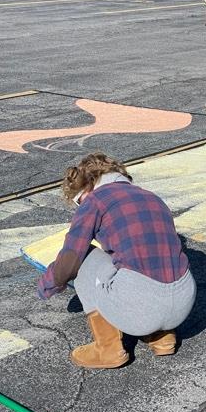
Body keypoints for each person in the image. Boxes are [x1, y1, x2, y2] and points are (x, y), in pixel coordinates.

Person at [37, 152, 196, 369]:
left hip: (143, 309)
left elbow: (70, 258)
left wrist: (47, 285)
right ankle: (162, 338)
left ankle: (108, 349)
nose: (79, 207)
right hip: (183, 304)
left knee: (86, 256)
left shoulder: (95, 200)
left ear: (89, 186)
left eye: (78, 201)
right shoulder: (151, 197)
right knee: (145, 258)